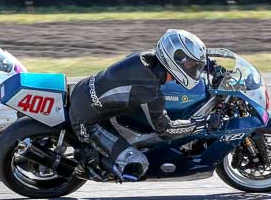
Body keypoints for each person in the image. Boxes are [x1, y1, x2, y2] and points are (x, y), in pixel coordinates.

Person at [68, 29, 209, 181]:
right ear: (176, 60)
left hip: (83, 89)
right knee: (138, 164)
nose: (194, 68)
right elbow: (166, 130)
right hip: (88, 122)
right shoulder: (148, 90)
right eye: (191, 64)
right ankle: (91, 161)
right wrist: (199, 124)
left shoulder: (146, 57)